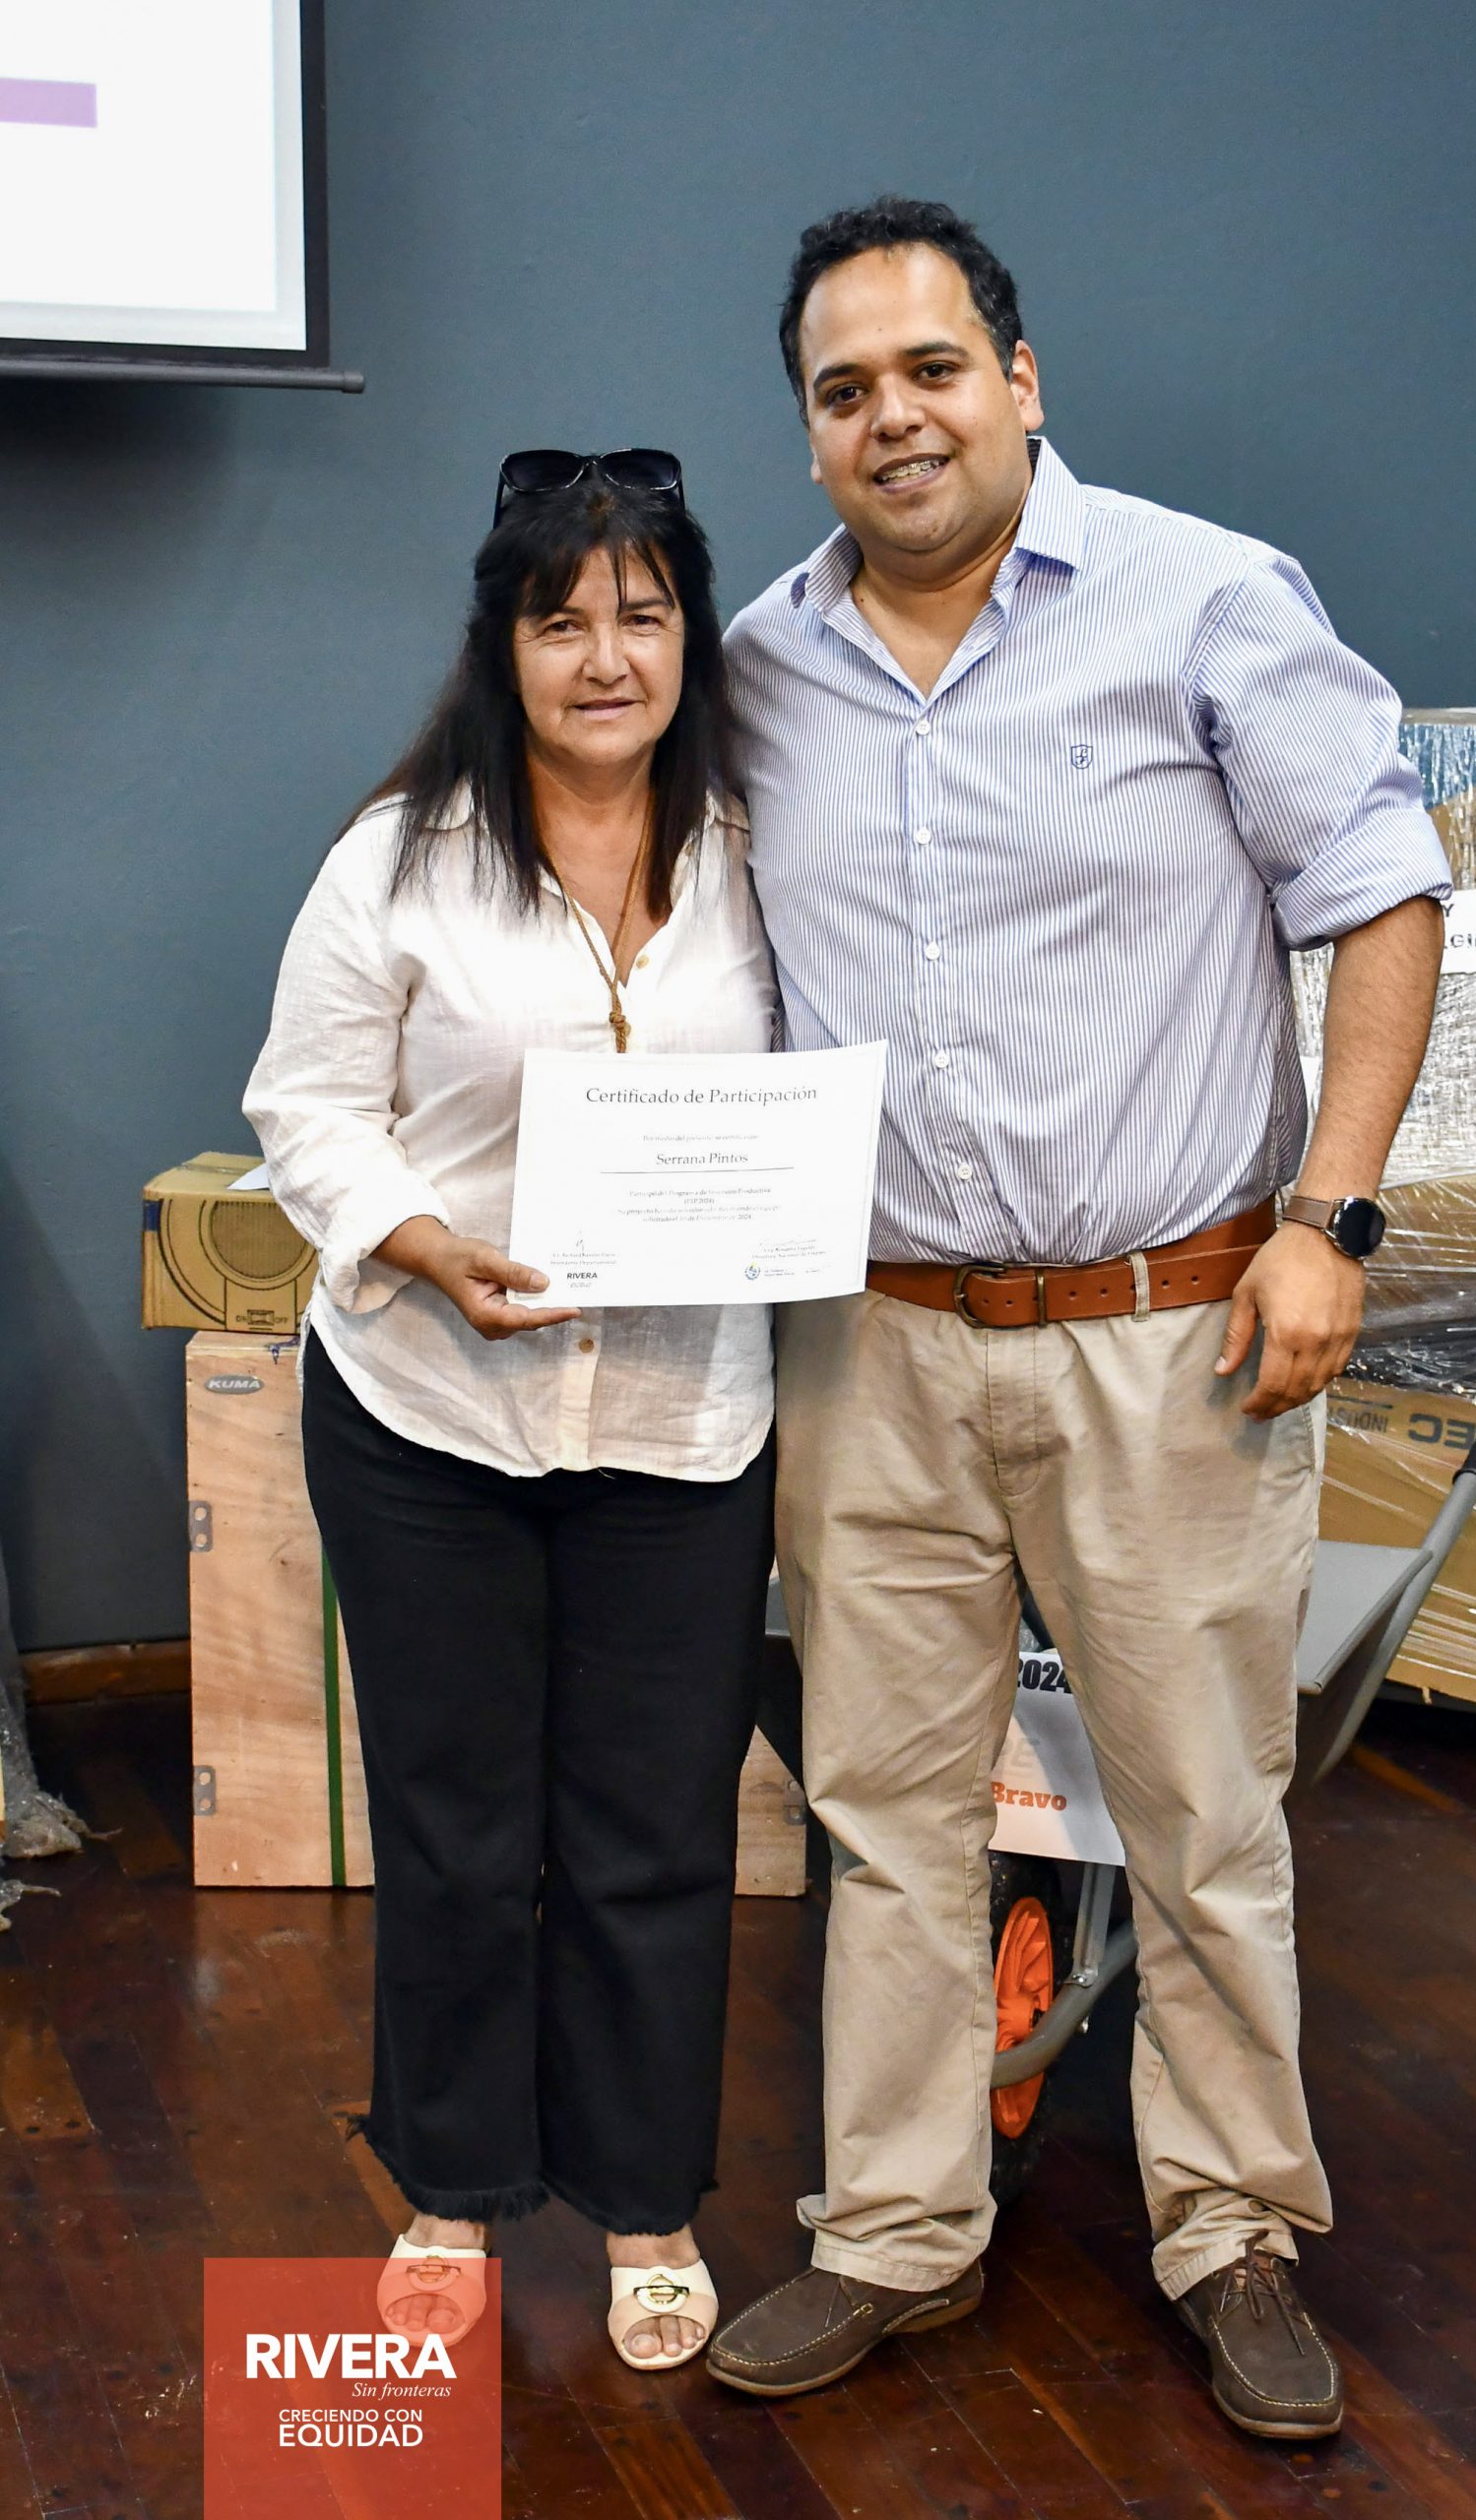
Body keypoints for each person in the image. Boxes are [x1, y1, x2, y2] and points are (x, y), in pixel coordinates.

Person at [707, 199, 1449, 2435]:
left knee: (1202, 1814)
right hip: (872, 1340)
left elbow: (1382, 892)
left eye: (931, 369)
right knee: (885, 1813)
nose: (893, 418)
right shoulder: (754, 667)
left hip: (1170, 1331)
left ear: (1019, 380)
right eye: (844, 390)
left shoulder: (1203, 598)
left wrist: (1332, 1218)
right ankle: (895, 2228)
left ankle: (1231, 2230)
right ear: (809, 433)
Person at [244, 449, 778, 2372]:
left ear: (689, 633)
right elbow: (305, 1105)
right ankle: (453, 2190)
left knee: (654, 1827)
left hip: (681, 1422)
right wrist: (420, 1239)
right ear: (503, 643)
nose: (605, 655)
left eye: (642, 612)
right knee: (458, 1830)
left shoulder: (759, 849)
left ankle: (645, 2203)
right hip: (430, 1414)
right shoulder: (399, 857)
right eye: (562, 620)